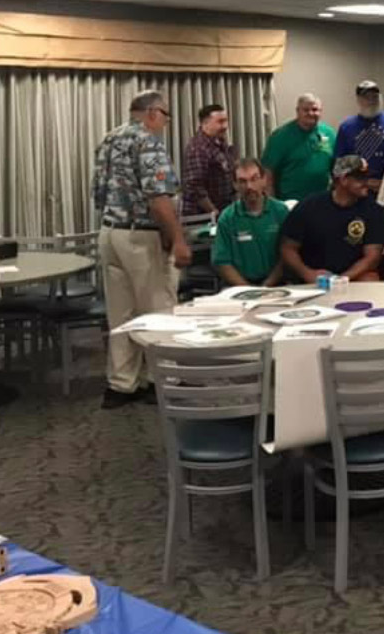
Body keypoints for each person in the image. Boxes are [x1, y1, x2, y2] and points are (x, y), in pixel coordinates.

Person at [91, 90, 190, 409]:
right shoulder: (148, 142)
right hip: (141, 238)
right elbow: (158, 197)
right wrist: (178, 239)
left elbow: (98, 192)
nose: (165, 123)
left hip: (110, 232)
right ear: (152, 113)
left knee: (121, 314)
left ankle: (121, 384)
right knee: (159, 309)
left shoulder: (109, 139)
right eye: (165, 116)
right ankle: (166, 380)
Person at [281, 155, 384, 284]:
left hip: (354, 276)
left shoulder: (373, 210)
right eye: (360, 178)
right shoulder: (309, 206)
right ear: (343, 180)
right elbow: (287, 248)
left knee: (370, 279)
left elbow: (372, 257)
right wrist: (307, 273)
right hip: (314, 277)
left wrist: (341, 279)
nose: (366, 182)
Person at [212, 159, 288, 287]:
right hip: (240, 287)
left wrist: (268, 285)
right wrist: (248, 290)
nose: (249, 187)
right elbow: (222, 262)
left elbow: (288, 253)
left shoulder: (281, 212)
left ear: (264, 180)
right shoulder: (227, 218)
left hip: (278, 284)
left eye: (254, 179)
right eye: (242, 181)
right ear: (235, 185)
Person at [260, 93, 336, 202]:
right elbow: (268, 171)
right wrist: (273, 204)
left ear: (321, 112)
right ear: (297, 111)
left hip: (322, 201)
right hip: (290, 202)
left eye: (315, 110)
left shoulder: (329, 134)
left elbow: (336, 167)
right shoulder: (280, 136)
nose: (310, 113)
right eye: (306, 110)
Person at [333, 80, 384, 192]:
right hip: (356, 190)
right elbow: (339, 164)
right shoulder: (346, 127)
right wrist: (364, 182)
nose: (371, 100)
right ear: (358, 100)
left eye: (374, 96)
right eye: (366, 97)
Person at [179, 103, 236, 216]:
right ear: (205, 123)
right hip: (203, 215)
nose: (225, 126)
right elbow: (194, 186)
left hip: (222, 211)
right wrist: (213, 211)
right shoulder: (198, 148)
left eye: (226, 121)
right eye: (220, 122)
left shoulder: (219, 143)